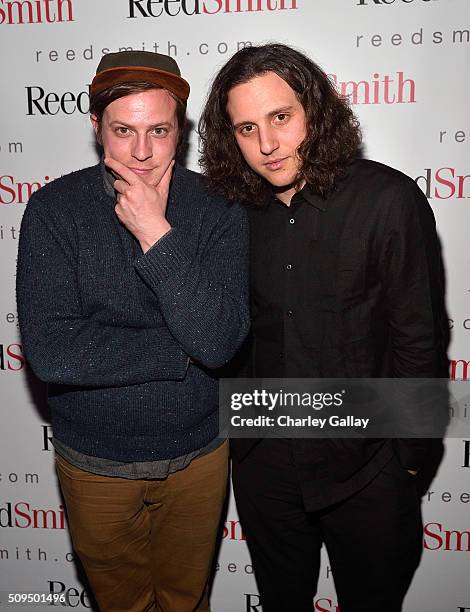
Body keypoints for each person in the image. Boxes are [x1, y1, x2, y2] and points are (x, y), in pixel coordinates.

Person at [199, 43, 448, 612]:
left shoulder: (388, 199)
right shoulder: (233, 212)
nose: (266, 144)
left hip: (367, 466)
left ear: (314, 109)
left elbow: (419, 339)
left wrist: (407, 459)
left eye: (281, 118)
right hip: (264, 464)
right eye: (245, 128)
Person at [17, 50, 249, 612]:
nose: (142, 152)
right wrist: (181, 351)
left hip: (198, 457)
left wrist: (155, 234)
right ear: (96, 127)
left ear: (182, 130)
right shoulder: (54, 209)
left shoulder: (219, 208)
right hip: (95, 462)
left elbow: (219, 343)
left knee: (186, 601)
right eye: (123, 130)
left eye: (158, 131)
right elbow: (53, 353)